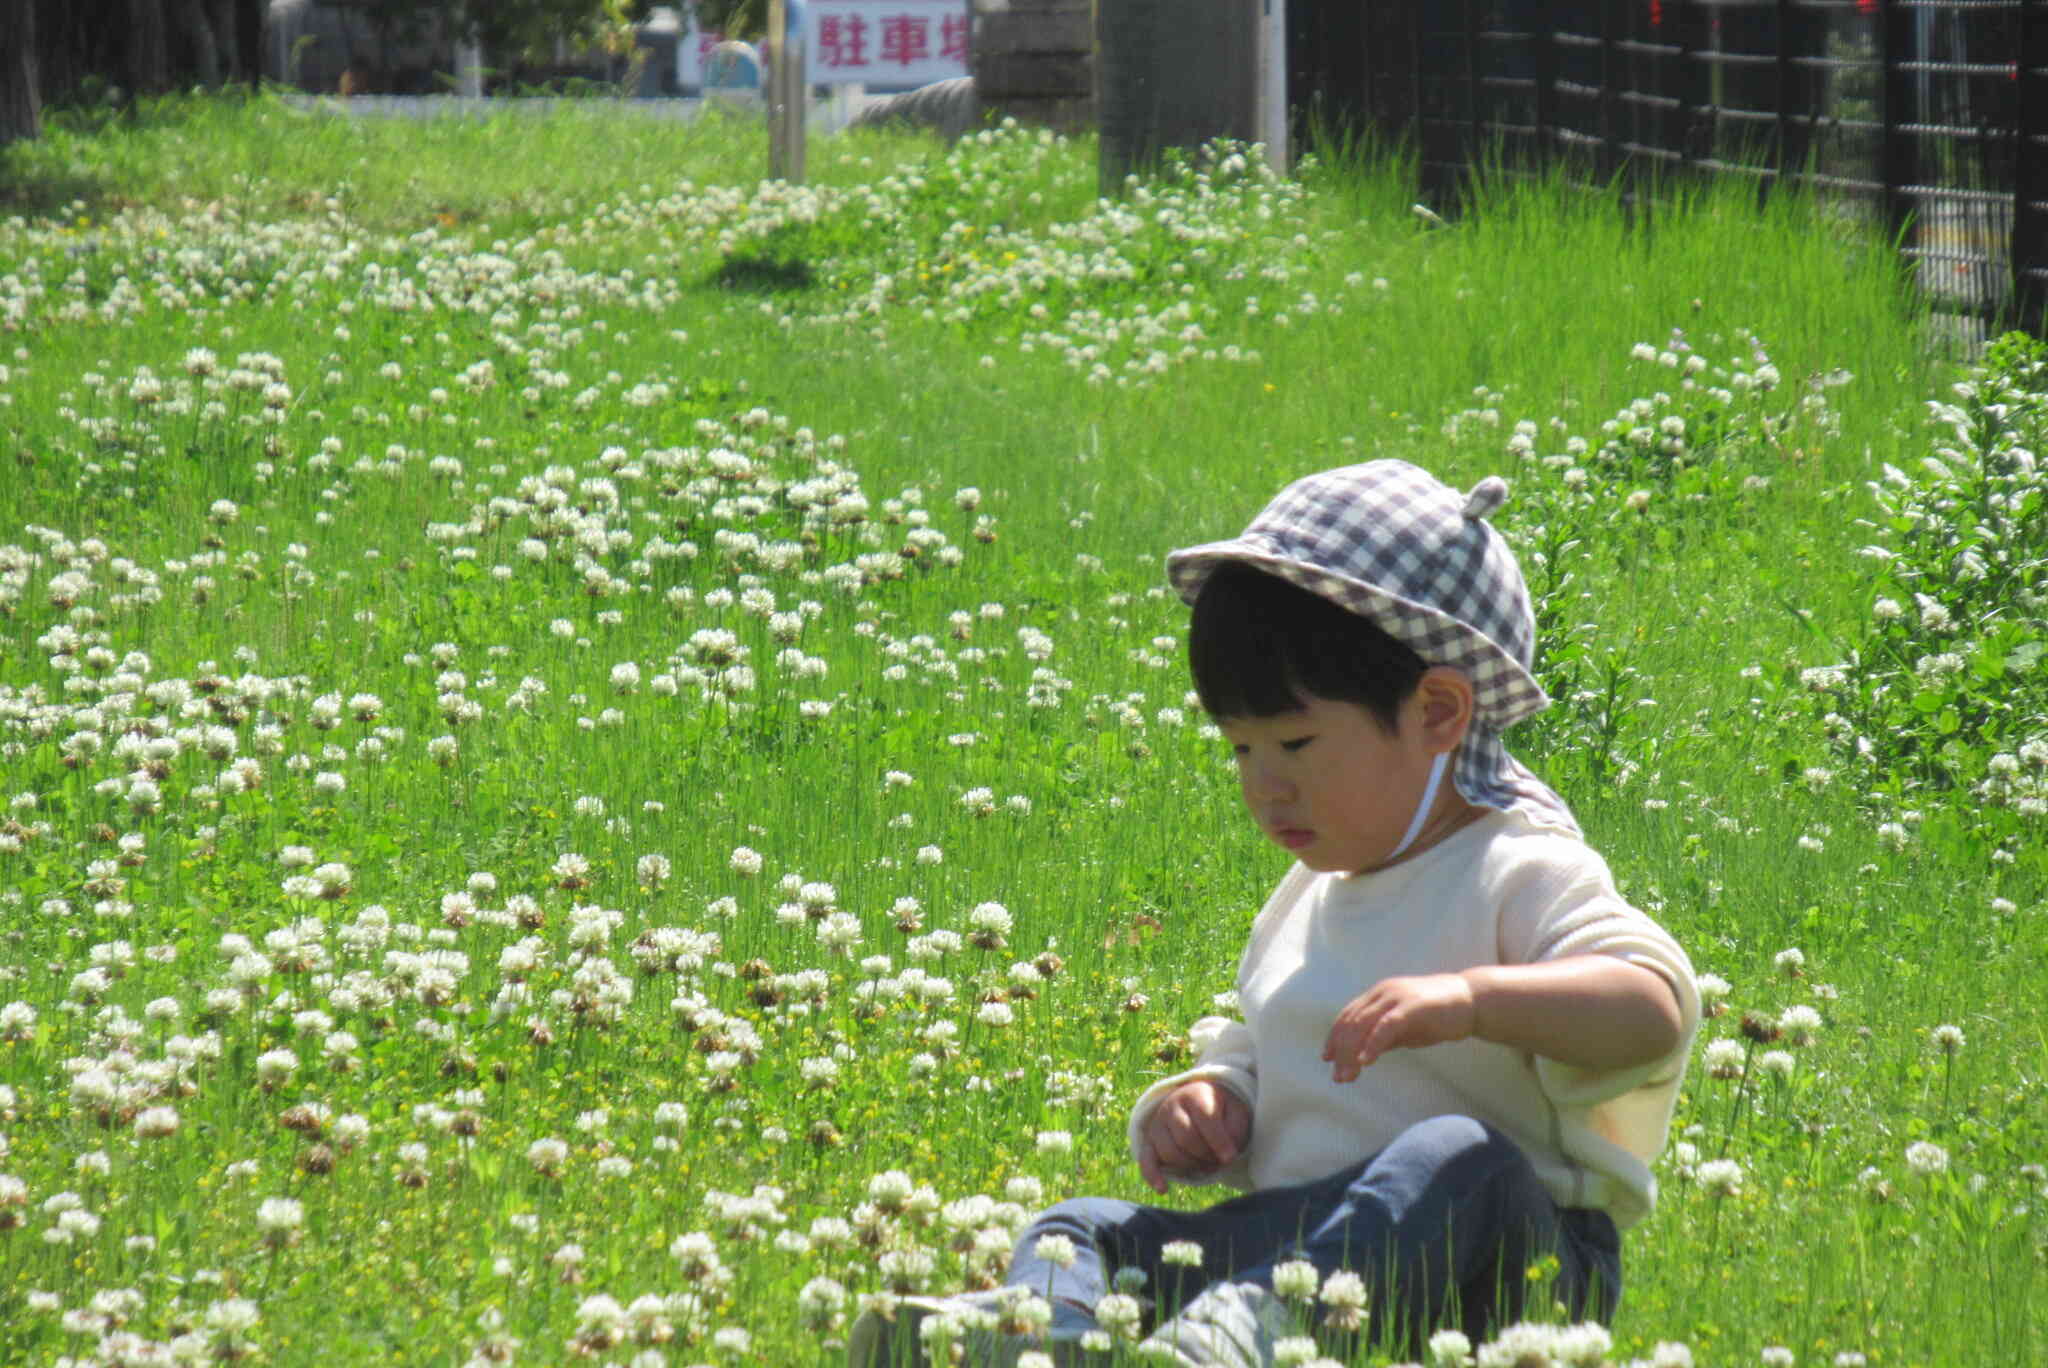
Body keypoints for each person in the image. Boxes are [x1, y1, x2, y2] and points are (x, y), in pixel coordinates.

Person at [849, 461, 1700, 1367]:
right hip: (1303, 1248)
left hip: (1505, 1269)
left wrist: (1473, 998)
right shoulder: (1313, 891)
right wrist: (1217, 1098)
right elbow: (1271, 1041)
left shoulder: (1516, 866)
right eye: (1241, 747)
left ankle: (1237, 1337)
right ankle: (1049, 1339)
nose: (1265, 785)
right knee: (1081, 1226)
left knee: (1459, 1156)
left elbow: (1650, 1007)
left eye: (1295, 741)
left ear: (1440, 712)